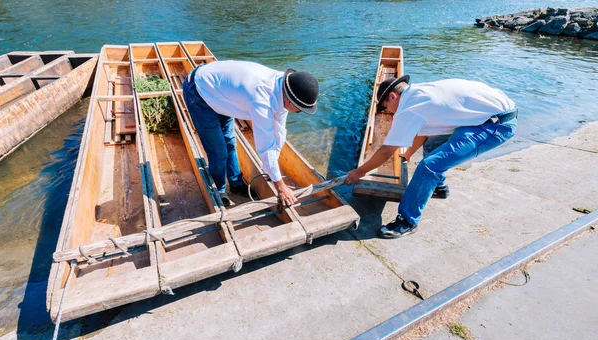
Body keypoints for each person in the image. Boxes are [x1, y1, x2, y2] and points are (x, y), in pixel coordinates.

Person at [345, 75, 517, 239]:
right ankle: (440, 188)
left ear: (392, 96)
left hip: (495, 125)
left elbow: (386, 150)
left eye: (385, 106)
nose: (387, 111)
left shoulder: (408, 107)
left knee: (429, 166)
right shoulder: (419, 93)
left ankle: (407, 221)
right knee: (431, 146)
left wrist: (358, 173)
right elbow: (425, 132)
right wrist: (409, 153)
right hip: (488, 116)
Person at [182, 61, 319, 207]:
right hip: (199, 91)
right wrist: (280, 186)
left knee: (230, 142)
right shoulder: (262, 100)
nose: (298, 112)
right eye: (299, 110)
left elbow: (278, 133)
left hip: (224, 94)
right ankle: (220, 189)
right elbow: (265, 146)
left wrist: (271, 171)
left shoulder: (286, 89)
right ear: (290, 102)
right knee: (218, 150)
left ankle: (235, 182)